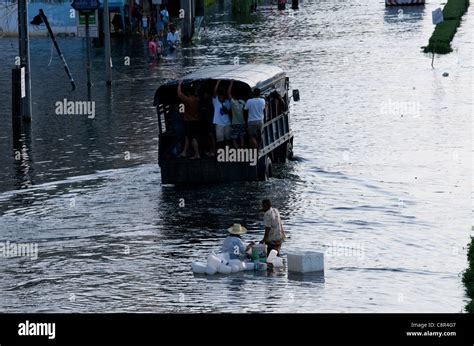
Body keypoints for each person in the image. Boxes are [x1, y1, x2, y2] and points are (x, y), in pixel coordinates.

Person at [177, 81, 201, 159]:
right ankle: (184, 152)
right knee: (188, 136)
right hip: (196, 120)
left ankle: (197, 154)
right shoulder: (197, 99)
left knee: (192, 138)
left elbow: (179, 94)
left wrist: (179, 84)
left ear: (188, 93)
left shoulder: (188, 100)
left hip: (189, 121)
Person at [212, 80, 232, 149]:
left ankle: (227, 153)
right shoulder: (216, 101)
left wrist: (231, 83)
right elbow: (214, 92)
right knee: (219, 141)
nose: (221, 98)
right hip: (219, 123)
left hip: (227, 123)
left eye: (222, 97)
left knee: (228, 140)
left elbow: (229, 94)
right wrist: (218, 82)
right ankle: (220, 154)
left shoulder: (227, 102)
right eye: (220, 97)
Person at [227, 81, 246, 148]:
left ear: (234, 97)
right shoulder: (243, 103)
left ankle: (238, 149)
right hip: (242, 122)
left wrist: (231, 83)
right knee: (241, 137)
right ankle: (242, 148)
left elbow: (228, 93)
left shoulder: (233, 103)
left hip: (235, 123)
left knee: (234, 138)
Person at [198, 90, 216, 156]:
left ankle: (213, 151)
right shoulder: (201, 102)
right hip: (203, 123)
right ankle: (208, 151)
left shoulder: (210, 102)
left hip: (209, 122)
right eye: (204, 94)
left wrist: (211, 122)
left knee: (211, 137)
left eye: (206, 94)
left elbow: (212, 113)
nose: (205, 95)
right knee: (207, 138)